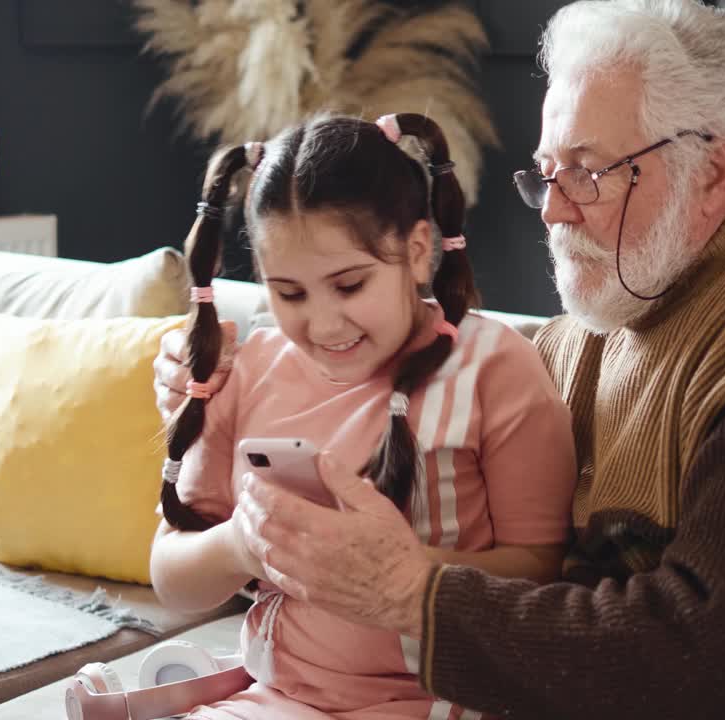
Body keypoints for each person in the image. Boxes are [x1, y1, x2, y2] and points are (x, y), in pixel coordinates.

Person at [155, 1, 725, 716]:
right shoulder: (584, 333)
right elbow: (424, 397)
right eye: (546, 173)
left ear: (713, 173)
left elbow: (721, 668)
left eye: (591, 173)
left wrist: (412, 595)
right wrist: (215, 388)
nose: (553, 210)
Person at [149, 113, 577, 719]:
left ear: (418, 250)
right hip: (279, 698)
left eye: (349, 285)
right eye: (289, 293)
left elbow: (541, 574)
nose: (323, 326)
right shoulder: (248, 371)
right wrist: (244, 545)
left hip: (439, 701)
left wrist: (395, 571)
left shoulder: (495, 367)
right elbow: (170, 574)